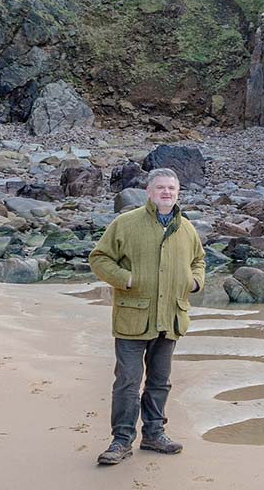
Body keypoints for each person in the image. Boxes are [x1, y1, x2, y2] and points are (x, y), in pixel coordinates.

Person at [87, 169, 204, 466]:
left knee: (160, 381)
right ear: (149, 191)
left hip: (171, 317)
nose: (167, 192)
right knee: (127, 381)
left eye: (172, 188)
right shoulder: (126, 223)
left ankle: (154, 434)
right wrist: (124, 279)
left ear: (178, 192)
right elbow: (99, 258)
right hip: (133, 318)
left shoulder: (187, 229)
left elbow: (199, 261)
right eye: (161, 188)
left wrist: (194, 282)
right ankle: (121, 440)